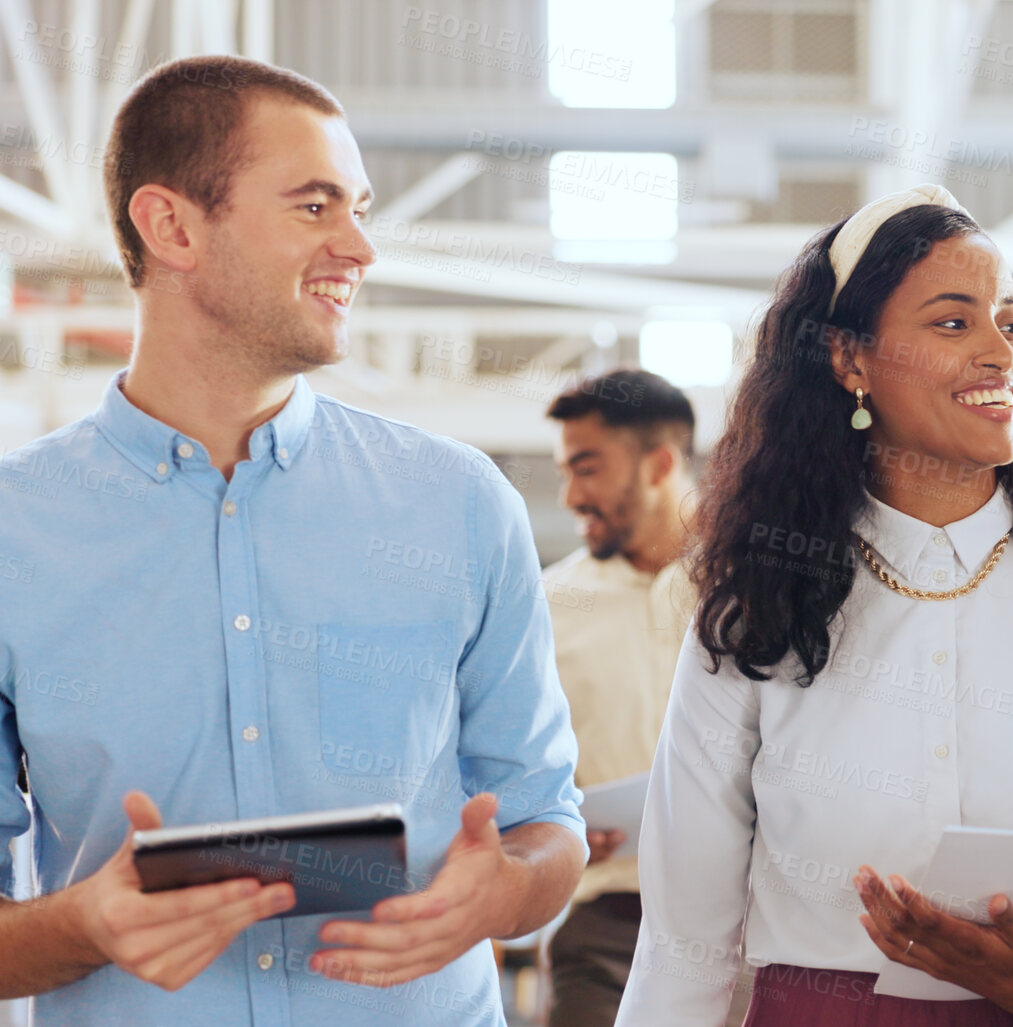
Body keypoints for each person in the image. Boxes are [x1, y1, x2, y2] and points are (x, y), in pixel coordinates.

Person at [0, 56, 588, 1024]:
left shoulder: (461, 503)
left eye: (357, 207)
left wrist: (504, 891)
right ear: (172, 226)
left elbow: (545, 821)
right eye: (316, 207)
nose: (359, 245)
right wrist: (83, 924)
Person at [613, 185, 1013, 1026]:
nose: (1001, 353)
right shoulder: (753, 611)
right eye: (954, 323)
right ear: (849, 359)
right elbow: (683, 942)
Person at [540, 369, 706, 1026]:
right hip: (609, 922)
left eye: (587, 468)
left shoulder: (760, 583)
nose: (570, 495)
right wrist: (554, 824)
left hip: (755, 914)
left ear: (660, 464)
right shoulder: (544, 606)